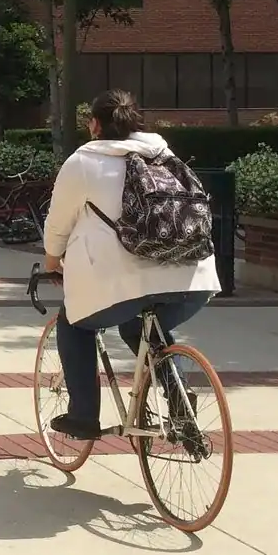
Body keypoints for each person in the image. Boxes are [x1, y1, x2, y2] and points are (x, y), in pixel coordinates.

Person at [42, 90, 219, 440]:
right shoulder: (165, 156)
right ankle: (181, 403)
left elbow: (58, 224)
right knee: (138, 328)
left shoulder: (82, 163)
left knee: (74, 324)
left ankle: (83, 417)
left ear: (94, 124)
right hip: (194, 279)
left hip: (123, 285)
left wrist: (52, 262)